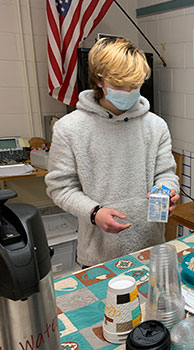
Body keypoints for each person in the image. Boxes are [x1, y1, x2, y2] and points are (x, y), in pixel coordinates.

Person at [45, 37, 180, 267]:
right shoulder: (69, 128)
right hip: (99, 255)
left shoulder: (156, 126)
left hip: (150, 247)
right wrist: (94, 212)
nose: (128, 92)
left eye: (134, 86)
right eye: (119, 86)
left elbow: (166, 173)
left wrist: (168, 190)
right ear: (99, 80)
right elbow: (60, 188)